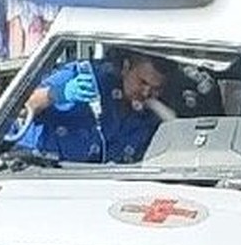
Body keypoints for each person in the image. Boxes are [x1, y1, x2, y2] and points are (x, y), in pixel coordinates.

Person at [21, 50, 170, 164]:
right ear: (126, 68)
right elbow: (23, 106)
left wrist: (157, 107)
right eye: (142, 82)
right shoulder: (85, 76)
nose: (146, 92)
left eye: (156, 88)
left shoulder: (148, 121)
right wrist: (58, 93)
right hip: (39, 166)